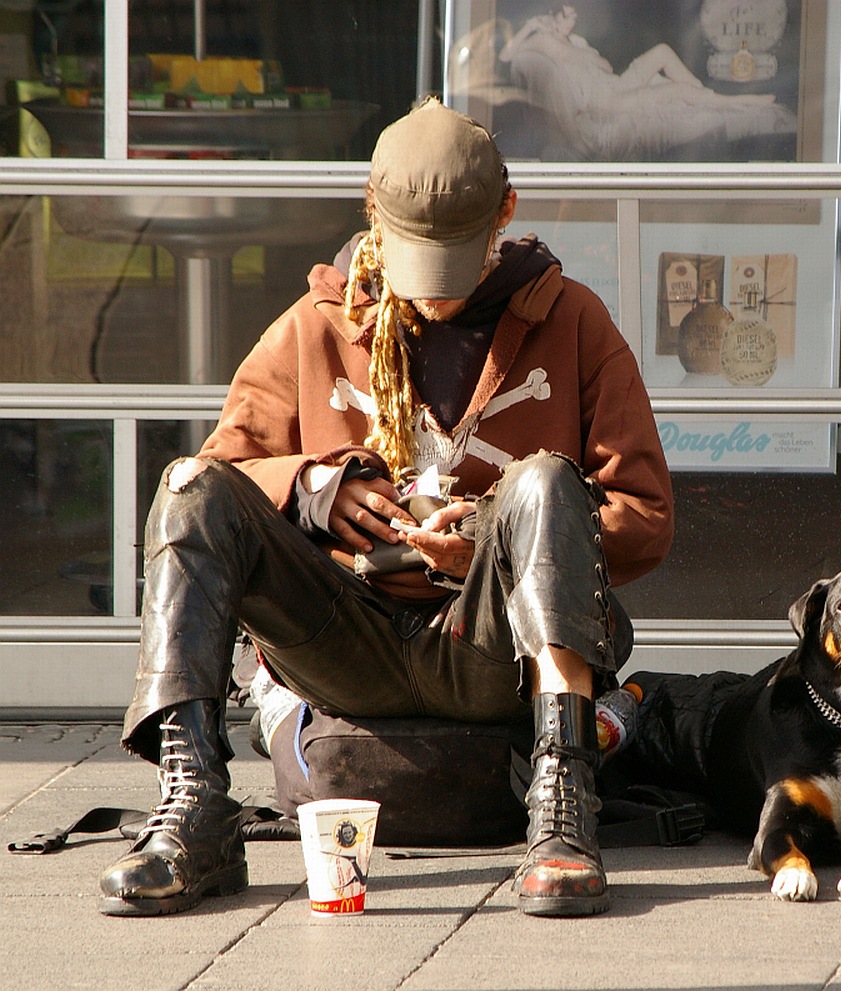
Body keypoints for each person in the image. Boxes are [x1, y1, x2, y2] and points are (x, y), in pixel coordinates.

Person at [97, 98, 675, 920]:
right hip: (347, 638)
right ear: (372, 210)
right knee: (189, 487)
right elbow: (221, 481)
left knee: (545, 481)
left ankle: (561, 799)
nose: (434, 295)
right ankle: (193, 804)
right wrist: (315, 491)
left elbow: (644, 516)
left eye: (457, 259)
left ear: (505, 212)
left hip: (491, 643)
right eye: (418, 261)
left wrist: (492, 540)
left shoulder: (573, 321)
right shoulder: (316, 324)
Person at [495, 4, 794, 160]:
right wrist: (530, 28)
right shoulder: (544, 42)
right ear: (553, 16)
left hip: (614, 84)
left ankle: (704, 96)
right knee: (672, 89)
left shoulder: (574, 40)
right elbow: (508, 55)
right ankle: (738, 103)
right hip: (607, 101)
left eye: (574, 16)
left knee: (662, 53)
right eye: (568, 15)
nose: (573, 21)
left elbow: (603, 65)